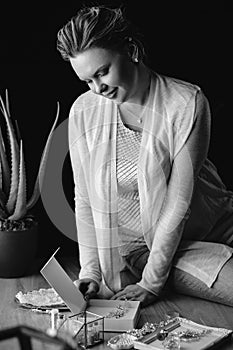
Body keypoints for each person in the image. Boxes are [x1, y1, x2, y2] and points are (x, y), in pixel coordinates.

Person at [56, 4, 233, 307]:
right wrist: (91, 272)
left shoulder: (186, 102)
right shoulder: (83, 112)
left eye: (102, 72)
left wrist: (151, 284)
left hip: (218, 226)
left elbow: (179, 203)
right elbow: (84, 198)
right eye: (87, 81)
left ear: (130, 50)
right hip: (146, 249)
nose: (98, 88)